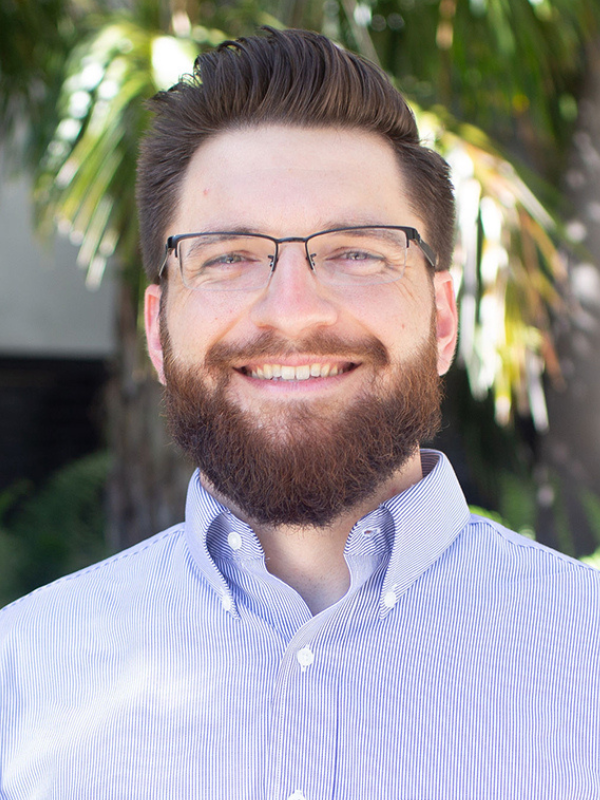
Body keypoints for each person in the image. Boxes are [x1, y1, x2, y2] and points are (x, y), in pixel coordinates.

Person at [1, 27, 599, 800]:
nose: (293, 312)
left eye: (357, 252)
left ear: (443, 321)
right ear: (155, 330)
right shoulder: (24, 672)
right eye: (228, 256)